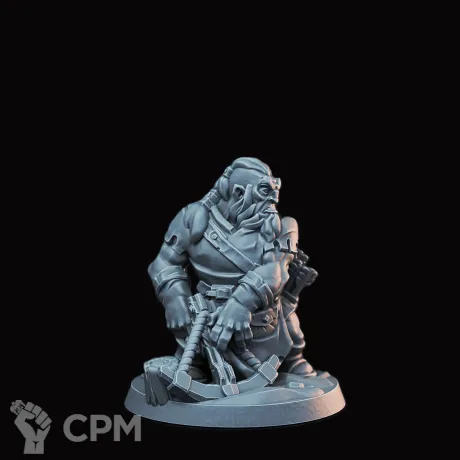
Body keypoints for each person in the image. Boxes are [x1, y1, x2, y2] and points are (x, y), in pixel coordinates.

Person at [148, 157, 318, 381]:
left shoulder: (285, 226)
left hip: (262, 320)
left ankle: (292, 360)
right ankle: (199, 364)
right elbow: (164, 262)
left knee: (288, 331)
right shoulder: (192, 218)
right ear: (239, 193)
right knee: (195, 355)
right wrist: (174, 298)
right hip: (206, 321)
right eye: (264, 194)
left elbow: (275, 268)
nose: (273, 202)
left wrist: (240, 303)